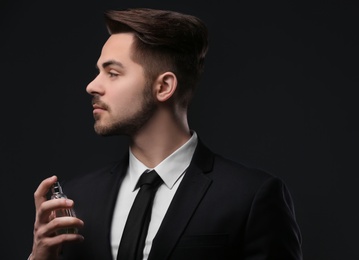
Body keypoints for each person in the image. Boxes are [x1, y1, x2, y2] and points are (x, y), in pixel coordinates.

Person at [30, 7, 303, 260]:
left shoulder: (250, 196)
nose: (92, 86)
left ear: (164, 87)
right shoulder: (77, 199)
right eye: (98, 72)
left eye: (112, 73)